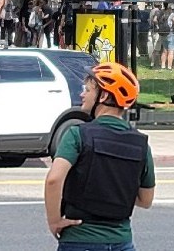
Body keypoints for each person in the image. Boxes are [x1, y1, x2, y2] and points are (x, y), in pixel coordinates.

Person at [44, 62, 154, 250]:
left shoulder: (77, 134)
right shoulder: (141, 144)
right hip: (122, 242)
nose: (82, 95)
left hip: (80, 239)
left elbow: (54, 180)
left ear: (103, 96)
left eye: (87, 90)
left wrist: (54, 222)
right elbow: (145, 200)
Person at [160, 4, 174, 70]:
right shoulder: (173, 15)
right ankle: (169, 66)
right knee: (171, 51)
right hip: (171, 33)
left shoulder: (164, 14)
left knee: (164, 50)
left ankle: (163, 65)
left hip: (163, 34)